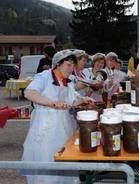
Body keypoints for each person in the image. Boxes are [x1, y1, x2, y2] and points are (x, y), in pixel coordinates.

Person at [22, 49, 93, 184]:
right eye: (68, 65)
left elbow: (72, 101)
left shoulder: (67, 81)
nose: (71, 69)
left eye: (73, 66)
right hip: (45, 127)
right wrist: (51, 103)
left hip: (64, 126)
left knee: (65, 159)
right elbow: (29, 93)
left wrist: (83, 99)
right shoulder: (44, 76)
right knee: (47, 159)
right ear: (58, 64)